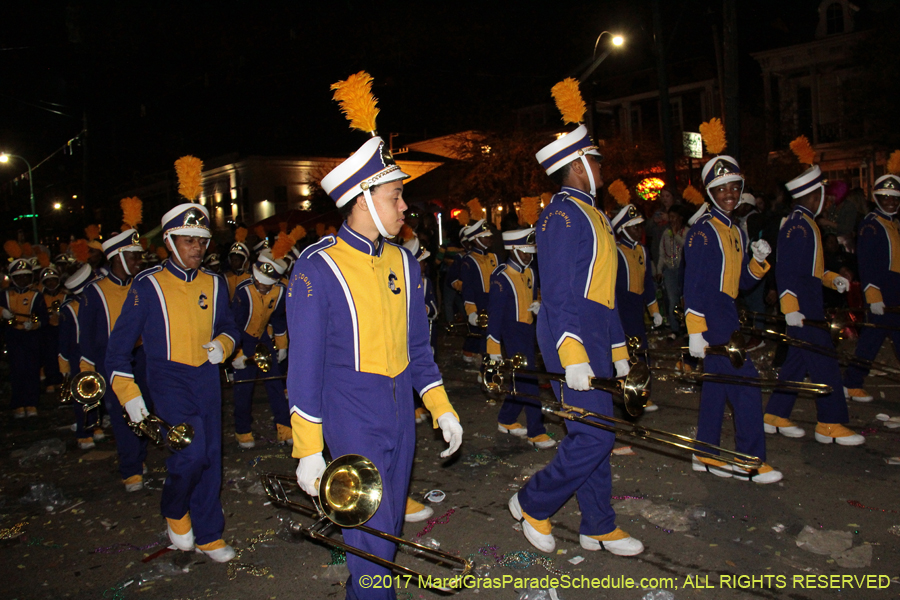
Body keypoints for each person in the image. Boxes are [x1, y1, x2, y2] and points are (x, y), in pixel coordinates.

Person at [288, 72, 462, 600]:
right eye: (395, 196)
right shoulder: (317, 267)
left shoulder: (406, 264)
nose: (404, 206)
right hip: (349, 415)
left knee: (385, 539)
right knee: (369, 548)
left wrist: (441, 407)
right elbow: (305, 367)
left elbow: (418, 351)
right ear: (363, 199)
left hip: (400, 416)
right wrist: (307, 449)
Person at [509, 78, 642, 557]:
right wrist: (573, 354)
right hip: (571, 335)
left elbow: (603, 296)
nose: (603, 166)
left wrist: (619, 352)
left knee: (596, 434)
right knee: (592, 436)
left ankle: (598, 524)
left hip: (593, 331)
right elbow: (562, 293)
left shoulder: (591, 213)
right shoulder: (563, 216)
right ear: (579, 165)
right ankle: (532, 501)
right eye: (597, 159)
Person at [106, 156, 239, 562]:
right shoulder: (147, 285)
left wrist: (224, 345)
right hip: (166, 378)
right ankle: (174, 510)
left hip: (206, 379)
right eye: (188, 240)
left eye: (201, 241)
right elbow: (117, 349)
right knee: (191, 453)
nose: (197, 247)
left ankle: (210, 534)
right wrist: (130, 397)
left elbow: (230, 328)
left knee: (211, 457)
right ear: (169, 241)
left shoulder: (215, 283)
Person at [684, 119, 781, 483]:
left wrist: (757, 261)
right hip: (713, 319)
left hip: (727, 313)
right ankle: (748, 460)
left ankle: (705, 453)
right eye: (721, 188)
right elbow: (693, 286)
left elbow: (739, 284)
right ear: (710, 192)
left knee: (716, 390)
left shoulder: (733, 228)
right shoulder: (703, 231)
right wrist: (696, 331)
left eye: (734, 187)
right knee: (746, 387)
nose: (729, 193)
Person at [763, 157, 863, 445]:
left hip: (807, 306)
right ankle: (830, 423)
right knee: (826, 364)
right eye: (823, 193)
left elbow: (812, 269)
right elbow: (788, 270)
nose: (826, 199)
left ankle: (775, 415)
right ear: (812, 194)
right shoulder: (798, 225)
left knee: (796, 362)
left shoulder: (805, 223)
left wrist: (833, 279)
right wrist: (791, 308)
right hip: (804, 309)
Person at [79, 228, 149, 491]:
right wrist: (86, 370)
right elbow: (86, 336)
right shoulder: (94, 291)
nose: (139, 262)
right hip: (111, 363)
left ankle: (139, 456)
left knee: (144, 409)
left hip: (142, 358)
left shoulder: (142, 285)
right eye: (133, 257)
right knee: (122, 416)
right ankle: (130, 468)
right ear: (118, 257)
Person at [485, 228, 556, 448]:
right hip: (511, 333)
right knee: (529, 380)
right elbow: (494, 317)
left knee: (519, 379)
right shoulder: (501, 276)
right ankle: (536, 431)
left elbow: (534, 296)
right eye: (525, 251)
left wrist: (539, 307)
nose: (529, 255)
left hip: (528, 330)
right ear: (513, 250)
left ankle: (506, 418)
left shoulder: (531, 272)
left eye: (530, 250)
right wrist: (493, 350)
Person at [843, 154, 900, 402]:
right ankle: (852, 383)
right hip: (881, 292)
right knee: (871, 340)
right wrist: (873, 294)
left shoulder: (894, 223)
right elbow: (867, 263)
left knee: (880, 340)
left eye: (894, 197)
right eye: (885, 197)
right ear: (876, 198)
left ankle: (852, 381)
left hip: (896, 290)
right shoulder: (871, 224)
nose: (889, 201)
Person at [229, 249, 292, 449]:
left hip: (264, 338)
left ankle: (284, 428)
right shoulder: (243, 290)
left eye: (266, 286)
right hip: (244, 338)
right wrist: (238, 353)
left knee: (274, 383)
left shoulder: (280, 291)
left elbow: (278, 319)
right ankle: (243, 431)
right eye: (258, 282)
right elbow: (234, 324)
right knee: (243, 388)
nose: (261, 287)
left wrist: (282, 345)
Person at [57, 264, 101, 450]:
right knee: (83, 395)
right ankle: (84, 433)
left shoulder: (96, 301)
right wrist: (64, 365)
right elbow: (64, 341)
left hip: (97, 351)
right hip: (79, 354)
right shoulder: (69, 309)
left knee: (98, 391)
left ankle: (95, 425)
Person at [1, 247, 48, 418]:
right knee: (17, 371)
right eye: (19, 277)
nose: (22, 280)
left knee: (31, 370)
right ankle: (18, 404)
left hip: (31, 337)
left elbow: (43, 317)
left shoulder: (36, 295)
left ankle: (31, 403)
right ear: (13, 278)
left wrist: (33, 324)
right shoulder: (4, 295)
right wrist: (2, 312)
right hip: (13, 337)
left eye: (25, 276)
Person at [459, 219, 497, 362]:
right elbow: (468, 288)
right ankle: (485, 370)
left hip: (493, 302)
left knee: (493, 338)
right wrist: (471, 310)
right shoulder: (469, 261)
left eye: (489, 236)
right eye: (485, 237)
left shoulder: (494, 257)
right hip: (480, 304)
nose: (489, 239)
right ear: (475, 240)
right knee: (484, 340)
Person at [657, 205, 687, 339]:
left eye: (675, 217)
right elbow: (662, 254)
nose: (672, 220)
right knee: (672, 299)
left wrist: (676, 235)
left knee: (685, 300)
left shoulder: (687, 232)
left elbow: (686, 248)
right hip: (670, 270)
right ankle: (675, 329)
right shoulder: (665, 233)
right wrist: (659, 270)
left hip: (684, 270)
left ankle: (687, 327)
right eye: (671, 217)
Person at [39, 265, 67, 392]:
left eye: (53, 280)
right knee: (49, 355)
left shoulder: (65, 295)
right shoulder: (40, 297)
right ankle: (51, 380)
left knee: (63, 355)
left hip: (62, 329)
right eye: (47, 281)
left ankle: (63, 380)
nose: (51, 283)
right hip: (47, 330)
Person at [225, 228, 251, 300]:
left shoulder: (250, 277)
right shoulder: (225, 277)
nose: (234, 262)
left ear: (243, 261)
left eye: (237, 260)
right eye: (232, 260)